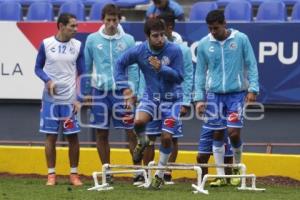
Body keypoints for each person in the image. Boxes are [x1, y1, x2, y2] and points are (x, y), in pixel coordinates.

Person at [114, 17, 184, 189]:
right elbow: (119, 63)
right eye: (155, 36)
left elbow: (180, 76)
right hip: (151, 98)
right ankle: (142, 141)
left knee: (167, 138)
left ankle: (159, 175)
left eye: (162, 35)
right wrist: (126, 89)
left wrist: (162, 68)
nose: (160, 39)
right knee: (137, 122)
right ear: (147, 36)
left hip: (172, 100)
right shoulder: (139, 51)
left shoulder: (174, 50)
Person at [194, 10, 259, 186]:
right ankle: (221, 175)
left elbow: (251, 64)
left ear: (225, 23)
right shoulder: (204, 44)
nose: (213, 32)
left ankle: (237, 165)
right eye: (210, 28)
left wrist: (253, 88)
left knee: (233, 132)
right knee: (217, 132)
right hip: (214, 95)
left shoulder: (241, 39)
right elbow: (200, 73)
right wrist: (199, 98)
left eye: (216, 28)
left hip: (236, 94)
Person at [83, 4, 139, 183]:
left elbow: (133, 67)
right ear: (103, 20)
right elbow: (86, 67)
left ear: (119, 20)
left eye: (115, 20)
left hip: (122, 93)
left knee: (131, 132)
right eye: (108, 20)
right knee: (101, 133)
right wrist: (87, 91)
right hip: (99, 92)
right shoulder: (92, 39)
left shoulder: (129, 40)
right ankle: (107, 172)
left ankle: (138, 172)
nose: (112, 23)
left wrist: (132, 91)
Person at [141, 12, 193, 183]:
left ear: (169, 28)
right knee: (149, 137)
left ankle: (166, 173)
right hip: (151, 99)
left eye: (161, 29)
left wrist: (186, 101)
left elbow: (187, 76)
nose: (158, 34)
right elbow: (142, 75)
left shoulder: (182, 50)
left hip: (172, 99)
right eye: (155, 31)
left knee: (171, 136)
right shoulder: (145, 48)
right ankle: (148, 175)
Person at [34, 13, 84, 186]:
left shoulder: (78, 46)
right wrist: (47, 80)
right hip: (50, 100)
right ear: (61, 26)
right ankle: (51, 175)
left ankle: (74, 175)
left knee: (73, 137)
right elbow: (37, 68)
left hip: (70, 100)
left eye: (76, 26)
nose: (76, 29)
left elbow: (82, 74)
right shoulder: (46, 44)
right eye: (72, 26)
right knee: (51, 137)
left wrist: (79, 98)